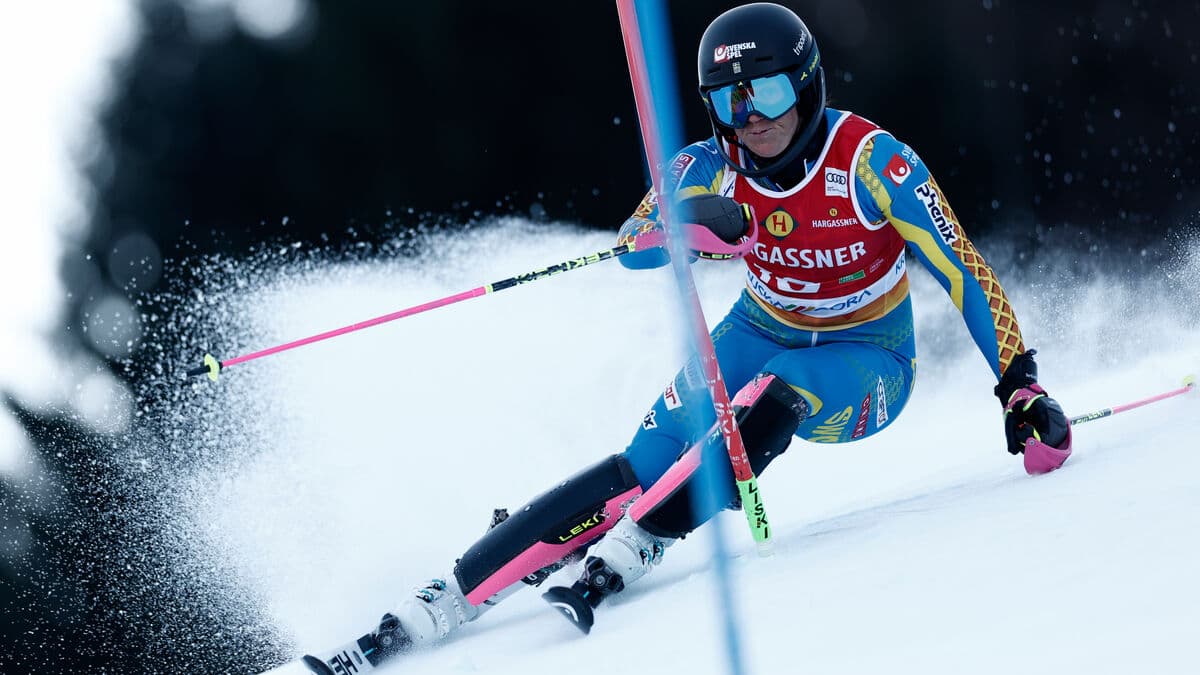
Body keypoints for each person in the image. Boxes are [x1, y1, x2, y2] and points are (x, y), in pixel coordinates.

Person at [303, 3, 1071, 672]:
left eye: (768, 91)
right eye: (731, 100)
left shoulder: (872, 161)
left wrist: (1019, 383)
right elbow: (631, 240)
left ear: (805, 86)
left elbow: (963, 269)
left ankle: (634, 546)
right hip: (757, 329)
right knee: (639, 464)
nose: (755, 117)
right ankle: (434, 604)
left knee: (773, 398)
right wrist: (694, 227)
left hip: (865, 360)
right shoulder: (707, 166)